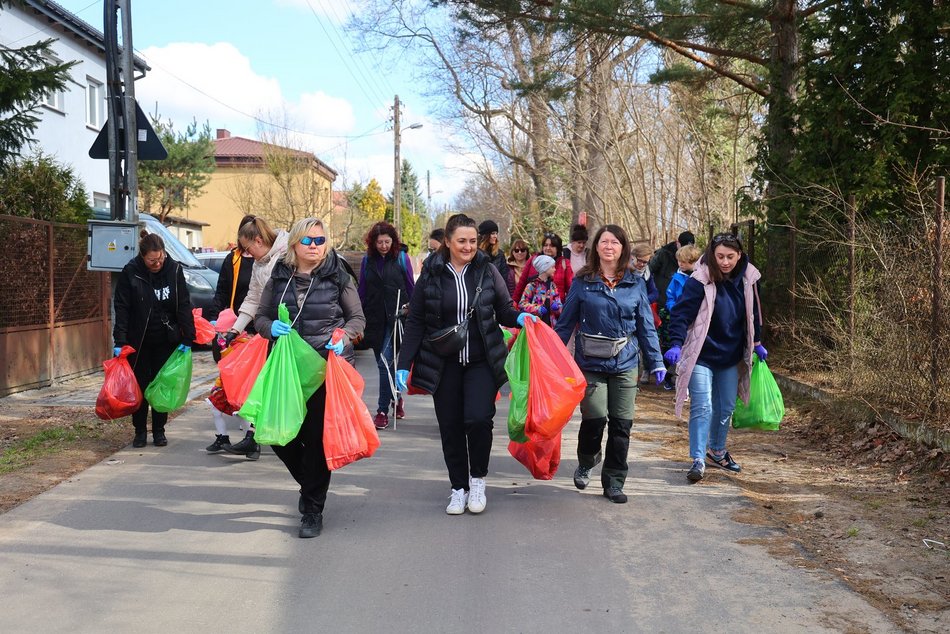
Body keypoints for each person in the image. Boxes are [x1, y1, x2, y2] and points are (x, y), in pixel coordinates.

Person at [395, 213, 534, 516]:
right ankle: (458, 487)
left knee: (478, 419)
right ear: (447, 241)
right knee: (451, 426)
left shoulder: (486, 269)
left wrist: (519, 317)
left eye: (472, 240)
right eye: (462, 241)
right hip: (443, 362)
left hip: (481, 360)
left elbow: (504, 308)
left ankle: (478, 479)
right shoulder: (431, 272)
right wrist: (403, 363)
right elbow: (417, 319)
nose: (469, 246)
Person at [254, 217, 366, 538]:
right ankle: (312, 483)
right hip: (286, 369)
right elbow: (262, 317)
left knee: (316, 440)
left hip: (323, 368)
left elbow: (357, 318)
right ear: (295, 245)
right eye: (308, 241)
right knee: (279, 436)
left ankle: (312, 509)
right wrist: (268, 328)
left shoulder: (338, 275)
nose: (315, 246)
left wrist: (343, 335)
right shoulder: (279, 276)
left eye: (320, 240)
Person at [554, 224, 665, 504]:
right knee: (594, 418)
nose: (609, 246)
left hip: (626, 362)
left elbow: (646, 327)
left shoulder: (634, 282)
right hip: (591, 362)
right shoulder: (583, 281)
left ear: (623, 248)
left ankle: (614, 481)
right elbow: (566, 323)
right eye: (604, 242)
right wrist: (551, 357)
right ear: (596, 248)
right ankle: (587, 460)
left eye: (615, 242)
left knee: (621, 424)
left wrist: (656, 362)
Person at [664, 232, 766, 483]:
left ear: (739, 255)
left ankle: (717, 451)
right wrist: (676, 343)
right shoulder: (700, 279)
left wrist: (757, 342)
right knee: (703, 405)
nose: (725, 262)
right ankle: (698, 459)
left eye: (730, 256)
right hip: (702, 353)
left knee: (726, 408)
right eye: (719, 256)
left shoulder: (749, 278)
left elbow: (755, 313)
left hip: (731, 354)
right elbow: (681, 313)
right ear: (712, 254)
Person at [112, 231, 196, 448]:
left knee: (162, 386)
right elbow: (122, 308)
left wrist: (188, 335)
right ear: (142, 256)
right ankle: (140, 431)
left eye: (160, 258)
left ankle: (159, 430)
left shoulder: (174, 269)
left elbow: (184, 304)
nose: (157, 263)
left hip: (166, 340)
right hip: (138, 341)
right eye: (152, 260)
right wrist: (119, 341)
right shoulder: (131, 272)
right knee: (139, 388)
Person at [220, 215, 289, 460]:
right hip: (270, 331)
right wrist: (234, 330)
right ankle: (252, 438)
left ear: (259, 241)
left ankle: (290, 438)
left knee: (284, 388)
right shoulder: (260, 265)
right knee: (262, 383)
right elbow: (252, 299)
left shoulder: (288, 255)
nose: (247, 255)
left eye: (248, 249)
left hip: (293, 333)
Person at [205, 215, 257, 453]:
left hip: (259, 331)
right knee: (231, 382)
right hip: (235, 329)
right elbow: (222, 292)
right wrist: (216, 322)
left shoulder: (265, 260)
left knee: (251, 385)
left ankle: (253, 435)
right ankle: (230, 436)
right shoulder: (232, 260)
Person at [358, 221, 414, 430]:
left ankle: (382, 411)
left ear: (393, 241)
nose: (383, 246)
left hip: (396, 317)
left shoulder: (401, 258)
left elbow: (411, 286)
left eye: (387, 242)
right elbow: (362, 290)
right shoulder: (367, 261)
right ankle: (396, 397)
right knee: (386, 364)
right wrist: (357, 316)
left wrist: (411, 307)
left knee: (384, 362)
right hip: (374, 319)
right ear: (373, 242)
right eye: (380, 242)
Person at [657, 243, 703, 390]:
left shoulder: (701, 278)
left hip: (697, 321)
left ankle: (689, 383)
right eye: (679, 261)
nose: (680, 264)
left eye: (684, 262)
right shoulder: (677, 278)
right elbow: (670, 297)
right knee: (674, 349)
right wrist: (674, 308)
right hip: (678, 318)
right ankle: (672, 378)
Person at [513, 231, 573, 306]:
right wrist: (514, 303)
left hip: (556, 312)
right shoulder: (534, 260)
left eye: (552, 246)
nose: (548, 248)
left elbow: (570, 289)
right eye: (545, 245)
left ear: (558, 248)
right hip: (533, 310)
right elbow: (522, 283)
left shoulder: (564, 263)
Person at [650, 230, 695, 303]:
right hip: (662, 300)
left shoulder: (694, 260)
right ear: (677, 243)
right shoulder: (662, 254)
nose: (685, 251)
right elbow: (648, 272)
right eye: (683, 247)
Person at [518, 254, 562, 326]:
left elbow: (560, 306)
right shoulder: (532, 286)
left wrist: (557, 308)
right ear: (545, 268)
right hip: (536, 326)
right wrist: (537, 309)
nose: (555, 269)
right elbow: (522, 305)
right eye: (552, 267)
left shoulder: (553, 286)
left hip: (551, 328)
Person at [477, 219, 511, 293]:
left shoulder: (499, 254)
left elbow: (504, 277)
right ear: (485, 235)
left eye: (496, 233)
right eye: (492, 233)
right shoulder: (475, 253)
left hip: (495, 293)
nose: (495, 236)